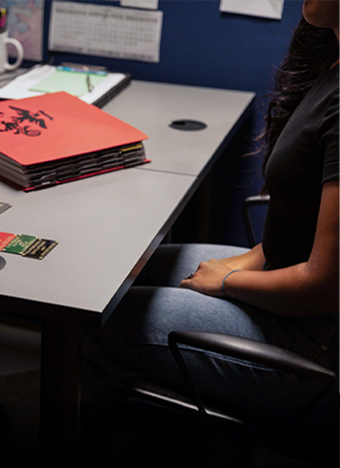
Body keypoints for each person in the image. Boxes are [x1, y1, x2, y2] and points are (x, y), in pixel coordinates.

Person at [85, 0, 340, 434]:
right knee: (114, 278)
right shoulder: (332, 64)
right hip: (293, 302)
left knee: (97, 321)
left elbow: (324, 286)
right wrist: (251, 261)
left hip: (312, 342)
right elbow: (304, 223)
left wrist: (226, 283)